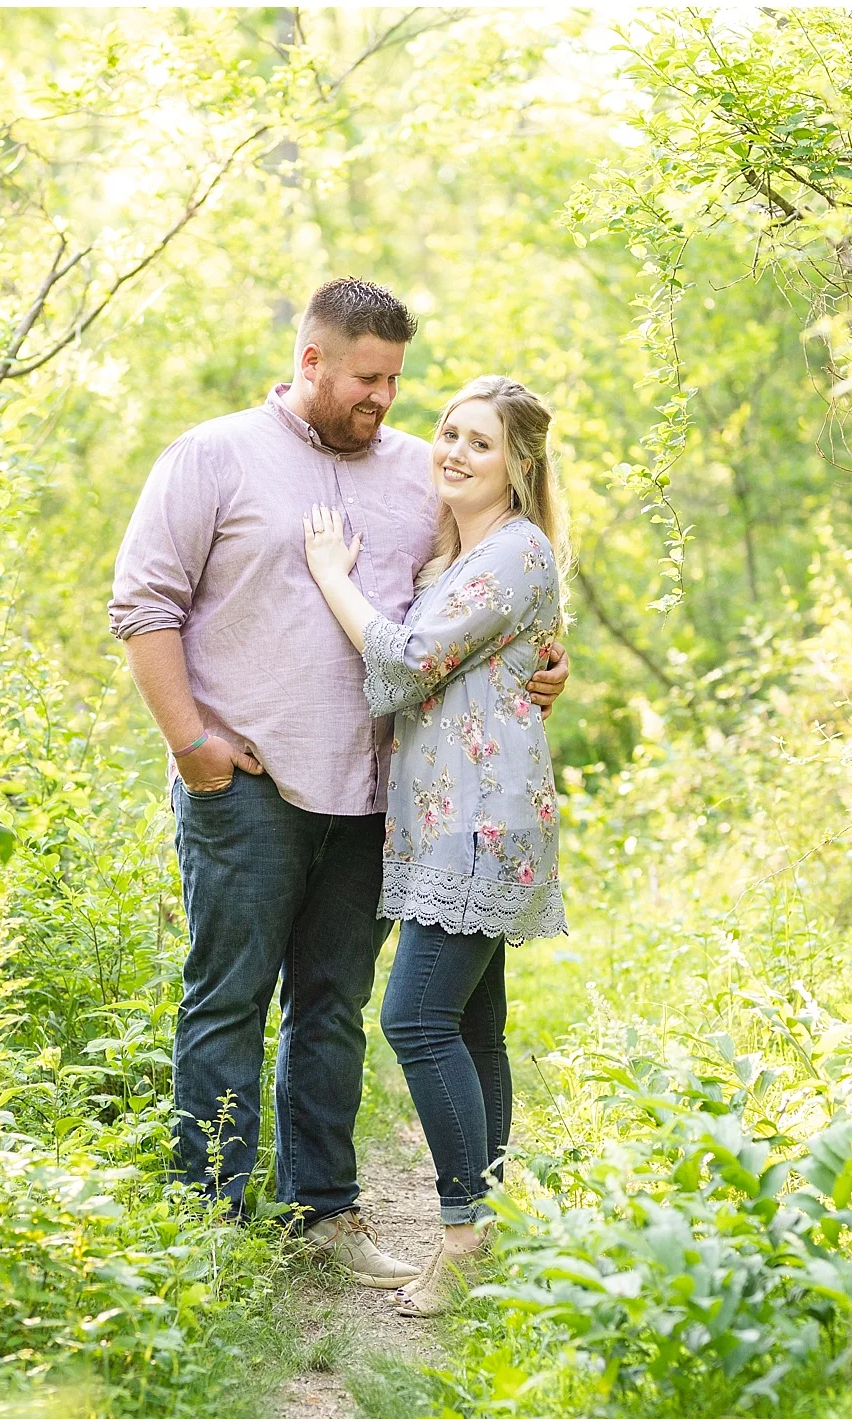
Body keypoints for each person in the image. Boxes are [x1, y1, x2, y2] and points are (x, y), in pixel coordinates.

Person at [108, 281, 569, 1287]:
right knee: (228, 1001)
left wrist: (548, 656)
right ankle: (212, 1223)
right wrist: (191, 744)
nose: (385, 400)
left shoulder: (419, 472)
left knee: (333, 1008)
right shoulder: (213, 455)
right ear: (312, 361)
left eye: (396, 379)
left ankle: (320, 1216)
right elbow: (141, 605)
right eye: (367, 378)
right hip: (251, 789)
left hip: (375, 800)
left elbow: (481, 588)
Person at [302, 375, 568, 1316]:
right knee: (470, 1024)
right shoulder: (461, 555)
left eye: (480, 442)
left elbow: (412, 664)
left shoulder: (516, 550)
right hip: (447, 816)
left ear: (520, 464)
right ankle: (487, 1228)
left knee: (414, 1017)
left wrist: (330, 574)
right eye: (447, 433)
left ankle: (459, 1237)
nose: (453, 451)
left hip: (479, 819)